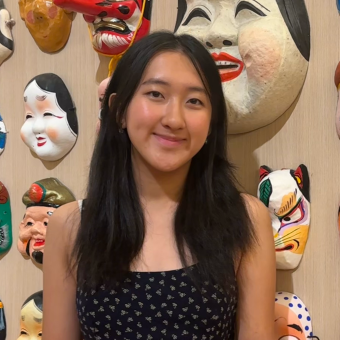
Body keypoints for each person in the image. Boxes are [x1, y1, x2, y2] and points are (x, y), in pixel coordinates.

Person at [43, 31, 276, 340]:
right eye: (156, 94)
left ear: (210, 124)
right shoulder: (70, 225)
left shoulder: (245, 218)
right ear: (119, 110)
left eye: (194, 101)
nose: (174, 118)